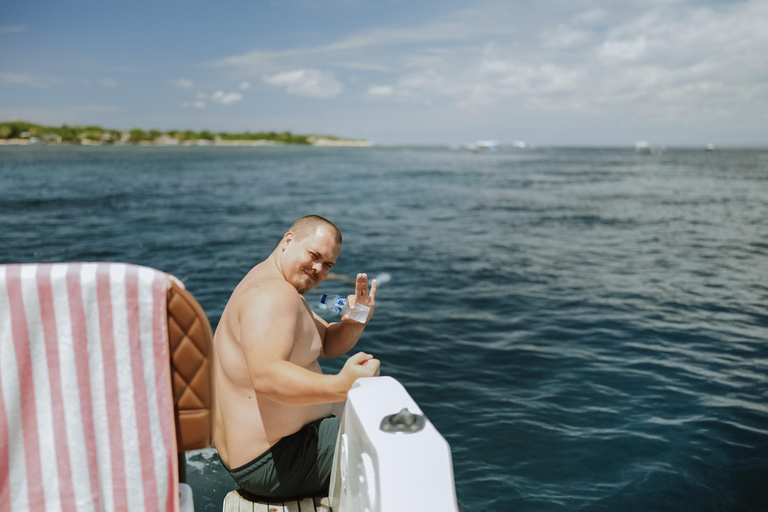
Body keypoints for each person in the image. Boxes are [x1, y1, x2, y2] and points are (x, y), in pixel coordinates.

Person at [213, 215, 380, 499]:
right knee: (392, 445)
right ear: (288, 241)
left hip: (269, 457)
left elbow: (325, 343)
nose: (318, 269)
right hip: (277, 461)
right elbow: (266, 377)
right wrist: (342, 385)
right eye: (314, 255)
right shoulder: (272, 295)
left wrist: (355, 322)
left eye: (328, 265)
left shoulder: (277, 285)